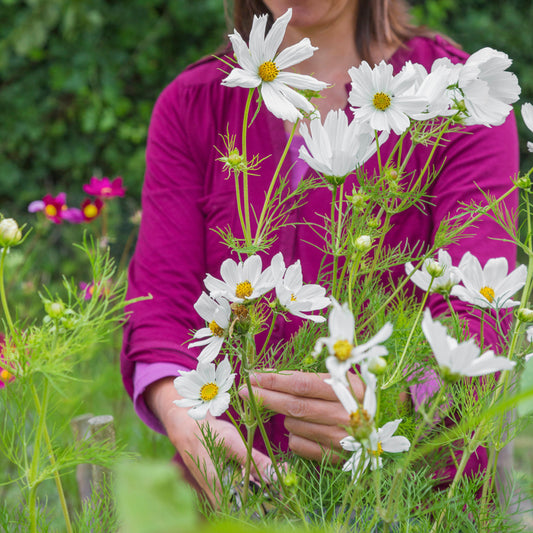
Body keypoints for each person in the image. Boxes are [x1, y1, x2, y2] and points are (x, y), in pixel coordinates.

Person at [120, 0, 519, 503]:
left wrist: (391, 400)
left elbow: (477, 311)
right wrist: (185, 417)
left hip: (408, 491)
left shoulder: (460, 97)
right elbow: (160, 313)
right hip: (241, 492)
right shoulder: (195, 104)